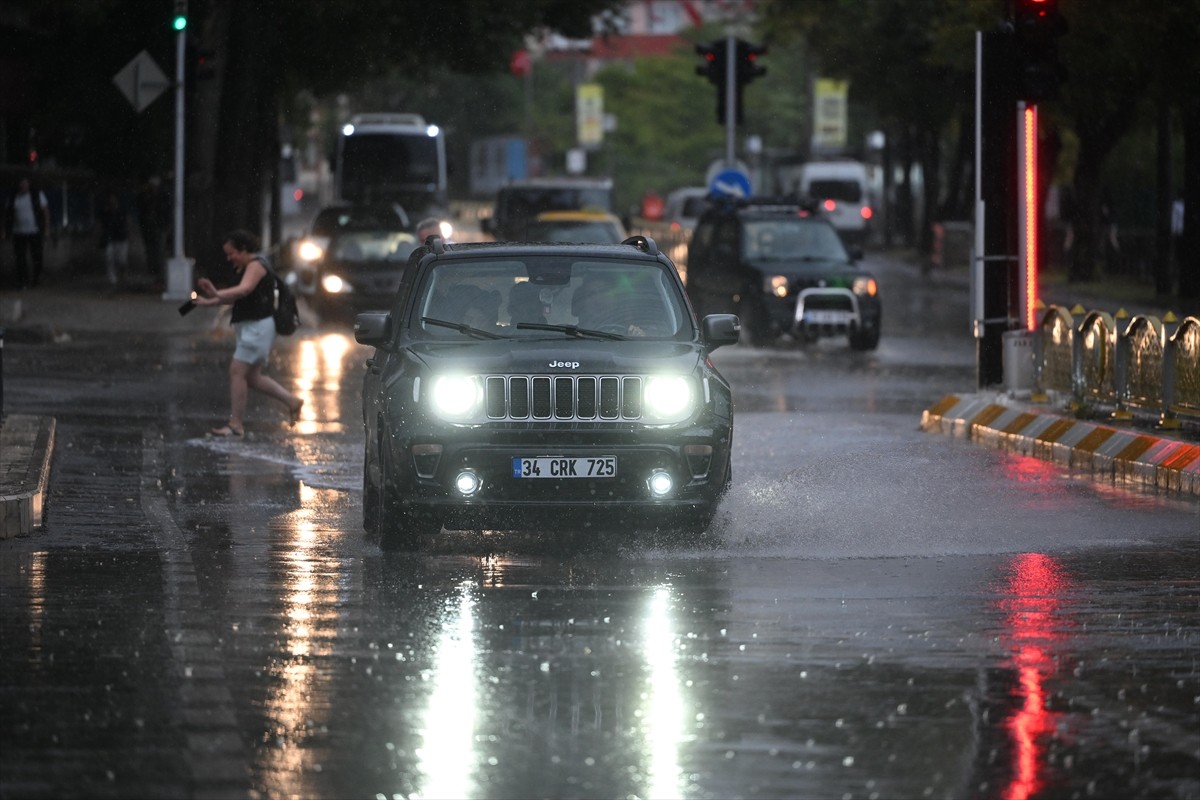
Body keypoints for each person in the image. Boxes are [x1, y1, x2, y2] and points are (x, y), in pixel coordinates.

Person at [192, 229, 303, 437]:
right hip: (251, 328)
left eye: (231, 253)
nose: (228, 257)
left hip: (258, 328)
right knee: (251, 377)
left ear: (243, 250)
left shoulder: (256, 265)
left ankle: (236, 425)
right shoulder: (245, 267)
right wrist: (210, 301)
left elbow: (244, 290)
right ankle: (292, 401)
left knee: (237, 371)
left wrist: (216, 292)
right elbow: (239, 297)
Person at [3, 178, 50, 288]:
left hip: (34, 231)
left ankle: (36, 279)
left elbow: (45, 211)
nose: (23, 186)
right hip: (18, 232)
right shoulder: (13, 197)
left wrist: (46, 228)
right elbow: (7, 214)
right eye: (21, 184)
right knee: (20, 257)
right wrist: (5, 230)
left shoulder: (36, 195)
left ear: (29, 185)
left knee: (37, 256)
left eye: (25, 184)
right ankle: (22, 280)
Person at [97, 191, 130, 289]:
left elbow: (128, 222)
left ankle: (123, 277)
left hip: (122, 238)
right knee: (109, 259)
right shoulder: (105, 212)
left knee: (122, 260)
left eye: (114, 199)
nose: (112, 201)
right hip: (110, 239)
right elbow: (100, 225)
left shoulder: (122, 211)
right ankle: (113, 280)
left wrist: (129, 235)